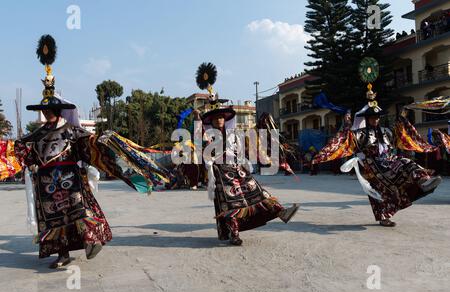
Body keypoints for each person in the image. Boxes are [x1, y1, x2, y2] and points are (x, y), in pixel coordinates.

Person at [0, 35, 169, 268]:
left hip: (70, 181)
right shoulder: (36, 135)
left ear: (59, 110)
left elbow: (90, 145)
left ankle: (92, 241)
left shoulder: (71, 130)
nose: (48, 113)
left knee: (81, 213)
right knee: (56, 222)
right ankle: (63, 255)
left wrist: (105, 141)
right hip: (47, 185)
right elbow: (18, 151)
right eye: (45, 110)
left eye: (52, 109)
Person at [313, 59, 442, 227]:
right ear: (367, 118)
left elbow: (398, 136)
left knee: (406, 162)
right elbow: (346, 138)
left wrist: (403, 115)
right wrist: (346, 119)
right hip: (372, 166)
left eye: (377, 117)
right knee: (378, 192)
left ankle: (423, 180)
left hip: (389, 162)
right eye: (373, 117)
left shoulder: (386, 132)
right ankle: (384, 217)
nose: (376, 119)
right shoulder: (359, 134)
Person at [191, 63, 299, 246]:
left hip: (237, 169)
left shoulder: (234, 135)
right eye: (216, 117)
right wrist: (196, 120)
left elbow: (242, 149)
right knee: (231, 205)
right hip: (220, 173)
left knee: (258, 192)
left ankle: (281, 212)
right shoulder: (208, 134)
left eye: (221, 117)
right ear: (212, 120)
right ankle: (234, 234)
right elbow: (198, 141)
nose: (219, 120)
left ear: (225, 119)